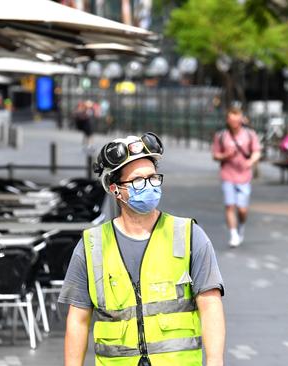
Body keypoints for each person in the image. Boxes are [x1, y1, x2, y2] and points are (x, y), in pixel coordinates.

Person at [60, 133, 225, 366]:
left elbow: (210, 305)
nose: (149, 186)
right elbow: (77, 319)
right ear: (115, 189)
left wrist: (216, 361)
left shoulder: (189, 235)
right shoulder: (91, 245)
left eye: (153, 178)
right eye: (138, 180)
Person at [212, 107, 261, 247]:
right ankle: (233, 234)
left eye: (237, 119)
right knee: (229, 206)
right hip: (227, 175)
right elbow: (215, 155)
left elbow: (256, 151)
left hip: (244, 176)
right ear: (228, 120)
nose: (234, 122)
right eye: (231, 119)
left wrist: (250, 162)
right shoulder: (221, 136)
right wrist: (225, 155)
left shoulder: (250, 135)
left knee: (242, 209)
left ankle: (241, 226)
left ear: (241, 119)